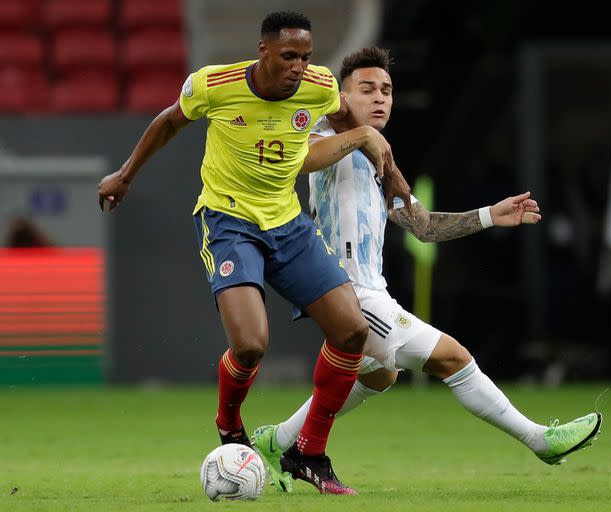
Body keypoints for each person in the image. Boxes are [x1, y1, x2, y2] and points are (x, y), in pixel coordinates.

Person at [252, 46, 602, 493]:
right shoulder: (324, 136)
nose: (380, 98)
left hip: (370, 289)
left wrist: (492, 215)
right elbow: (305, 155)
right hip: (349, 292)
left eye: (387, 90)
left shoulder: (379, 161)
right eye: (367, 89)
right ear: (342, 96)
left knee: (379, 375)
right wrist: (356, 130)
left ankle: (275, 441)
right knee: (453, 357)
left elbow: (423, 227)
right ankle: (541, 440)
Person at [97, 13, 412, 496]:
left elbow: (351, 125)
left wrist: (388, 167)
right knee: (250, 345)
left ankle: (309, 452)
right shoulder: (215, 84)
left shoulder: (319, 85)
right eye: (289, 57)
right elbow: (168, 123)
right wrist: (125, 175)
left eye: (306, 57)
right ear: (263, 51)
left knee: (351, 331)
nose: (299, 67)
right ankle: (229, 425)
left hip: (287, 225)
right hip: (228, 222)